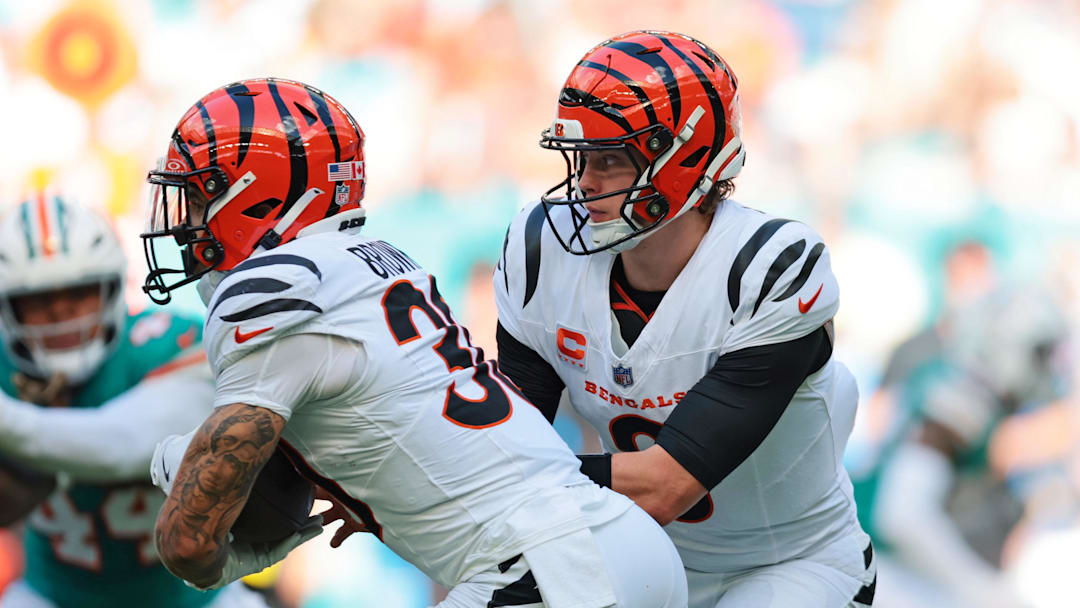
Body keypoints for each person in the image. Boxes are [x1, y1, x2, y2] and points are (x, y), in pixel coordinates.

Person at [142, 77, 686, 608]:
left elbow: (186, 541)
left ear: (256, 197)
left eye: (198, 198)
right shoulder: (377, 260)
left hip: (547, 569)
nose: (186, 221)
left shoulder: (269, 291)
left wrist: (222, 556)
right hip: (620, 545)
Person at [493, 30, 876, 608]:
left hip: (789, 563)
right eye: (582, 159)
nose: (585, 182)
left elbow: (665, 486)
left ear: (683, 159)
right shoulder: (540, 249)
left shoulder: (767, 267)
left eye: (610, 159)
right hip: (636, 548)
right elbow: (513, 435)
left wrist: (505, 472)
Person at [0, 195, 263, 607]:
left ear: (111, 288)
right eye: (38, 300)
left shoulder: (167, 344)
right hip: (52, 597)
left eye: (79, 292)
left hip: (196, 600)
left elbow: (119, 445)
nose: (60, 313)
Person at [853, 286, 1069, 608]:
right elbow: (902, 515)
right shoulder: (964, 399)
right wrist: (983, 591)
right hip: (876, 568)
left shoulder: (971, 390)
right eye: (1041, 353)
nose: (1047, 369)